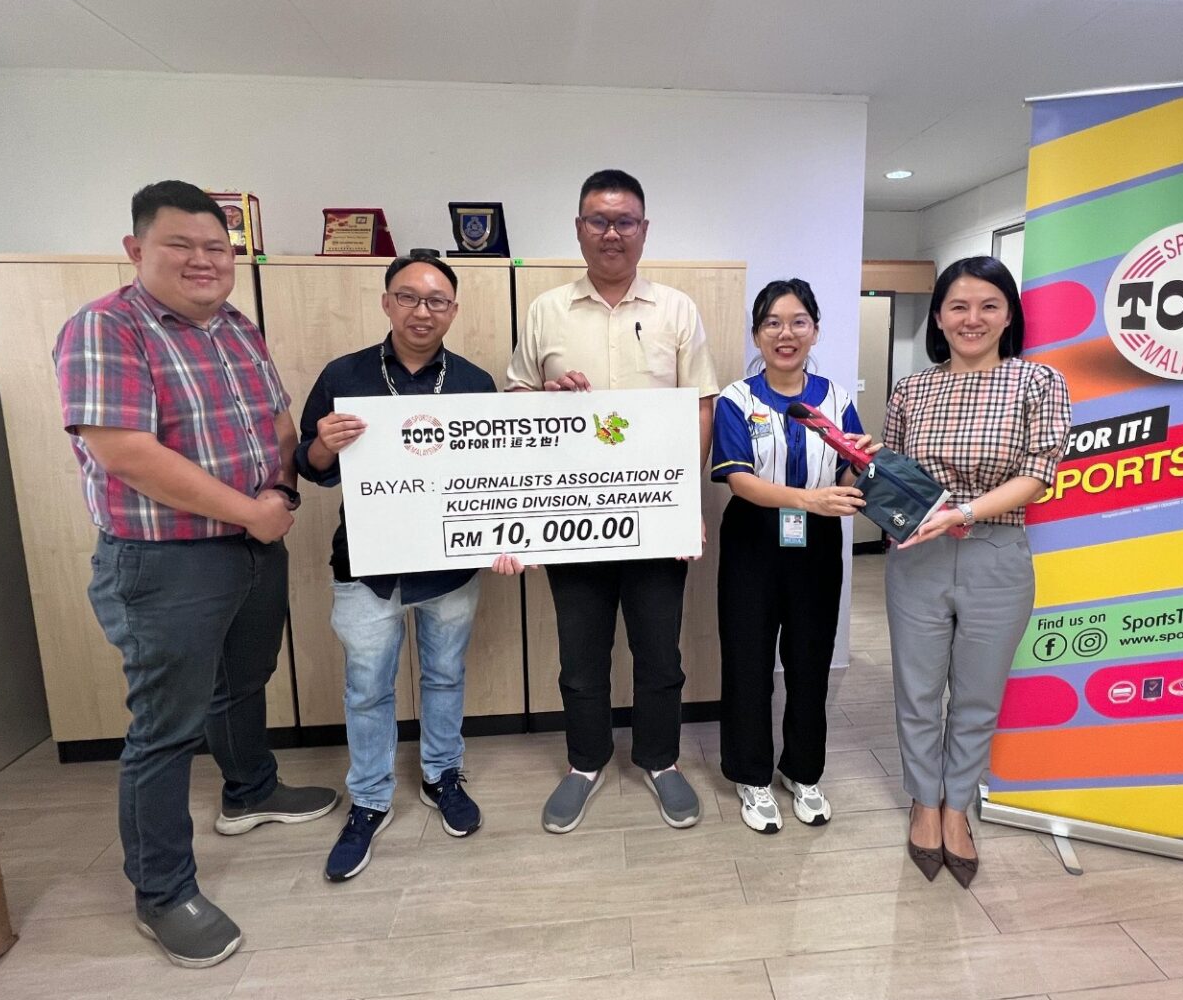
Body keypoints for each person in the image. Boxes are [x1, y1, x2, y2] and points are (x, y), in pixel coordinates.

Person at [54, 181, 338, 968]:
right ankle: (161, 891)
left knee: (243, 681)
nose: (203, 260)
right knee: (165, 728)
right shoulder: (106, 327)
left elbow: (276, 422)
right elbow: (126, 453)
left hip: (254, 545)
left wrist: (279, 492)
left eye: (217, 247)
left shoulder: (237, 327)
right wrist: (251, 511)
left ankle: (250, 790)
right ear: (136, 249)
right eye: (181, 244)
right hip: (165, 559)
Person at [506, 168, 720, 833]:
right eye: (598, 221)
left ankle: (660, 759)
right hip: (572, 515)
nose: (611, 233)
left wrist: (682, 502)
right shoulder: (545, 310)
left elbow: (701, 406)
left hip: (655, 518)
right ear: (579, 229)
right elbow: (515, 401)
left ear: (643, 230)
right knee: (580, 655)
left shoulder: (677, 309)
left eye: (624, 221)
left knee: (659, 653)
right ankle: (585, 762)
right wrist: (545, 399)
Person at [296, 251, 508, 881]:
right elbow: (308, 467)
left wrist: (505, 533)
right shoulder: (345, 374)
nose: (422, 311)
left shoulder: (474, 383)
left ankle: (443, 775)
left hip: (450, 567)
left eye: (436, 300)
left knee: (445, 675)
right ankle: (369, 799)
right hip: (367, 566)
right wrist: (323, 445)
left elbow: (497, 477)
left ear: (454, 311)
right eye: (409, 297)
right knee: (368, 688)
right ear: (386, 302)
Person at [881, 256, 1070, 887]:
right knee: (917, 691)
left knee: (978, 695)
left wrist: (962, 511)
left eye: (989, 305)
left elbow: (1039, 474)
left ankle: (957, 806)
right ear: (938, 317)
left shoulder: (1038, 382)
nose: (973, 319)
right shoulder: (911, 390)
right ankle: (923, 801)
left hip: (998, 554)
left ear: (1009, 315)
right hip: (918, 556)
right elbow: (893, 472)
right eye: (958, 306)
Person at [711, 279, 877, 833]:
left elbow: (849, 475)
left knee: (810, 662)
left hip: (818, 544)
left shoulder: (836, 400)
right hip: (753, 541)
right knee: (748, 660)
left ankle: (802, 771)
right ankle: (751, 775)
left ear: (815, 331)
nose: (786, 333)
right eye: (773, 323)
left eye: (798, 321)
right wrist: (810, 499)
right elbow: (739, 480)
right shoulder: (737, 399)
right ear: (757, 334)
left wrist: (862, 466)